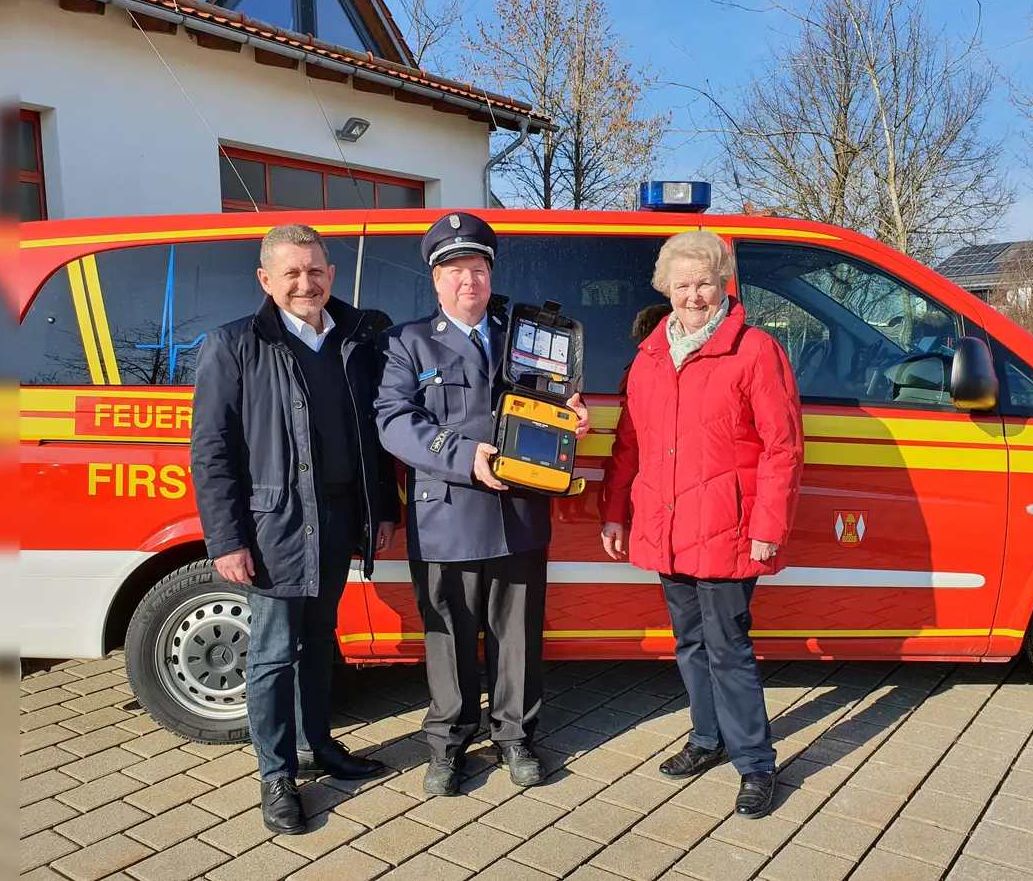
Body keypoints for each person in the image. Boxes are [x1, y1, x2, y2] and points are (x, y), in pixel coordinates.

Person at [191, 223, 400, 835]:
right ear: (266, 280)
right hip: (274, 523)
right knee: (273, 653)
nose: (305, 283)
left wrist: (381, 508)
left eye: (315, 271)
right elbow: (211, 451)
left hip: (340, 516)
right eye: (291, 273)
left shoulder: (360, 337)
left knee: (319, 640)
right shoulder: (234, 345)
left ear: (331, 274)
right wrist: (226, 539)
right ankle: (276, 776)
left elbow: (377, 437)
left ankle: (319, 747)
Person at [375, 212, 590, 797]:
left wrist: (570, 416)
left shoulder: (527, 337)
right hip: (445, 512)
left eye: (477, 268)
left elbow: (552, 405)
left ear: (490, 274)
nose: (467, 280)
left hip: (518, 511)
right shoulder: (407, 341)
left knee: (517, 634)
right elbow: (394, 422)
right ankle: (448, 744)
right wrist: (462, 454)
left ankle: (516, 736)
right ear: (435, 279)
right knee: (448, 633)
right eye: (453, 269)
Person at [599, 230, 804, 819]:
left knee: (729, 648)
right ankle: (706, 739)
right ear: (666, 288)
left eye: (705, 283)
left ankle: (756, 764)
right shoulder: (651, 355)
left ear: (724, 285)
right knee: (689, 643)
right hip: (666, 526)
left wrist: (769, 525)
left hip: (730, 527)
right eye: (683, 284)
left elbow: (782, 447)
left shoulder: (756, 350)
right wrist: (615, 513)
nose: (694, 295)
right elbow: (628, 444)